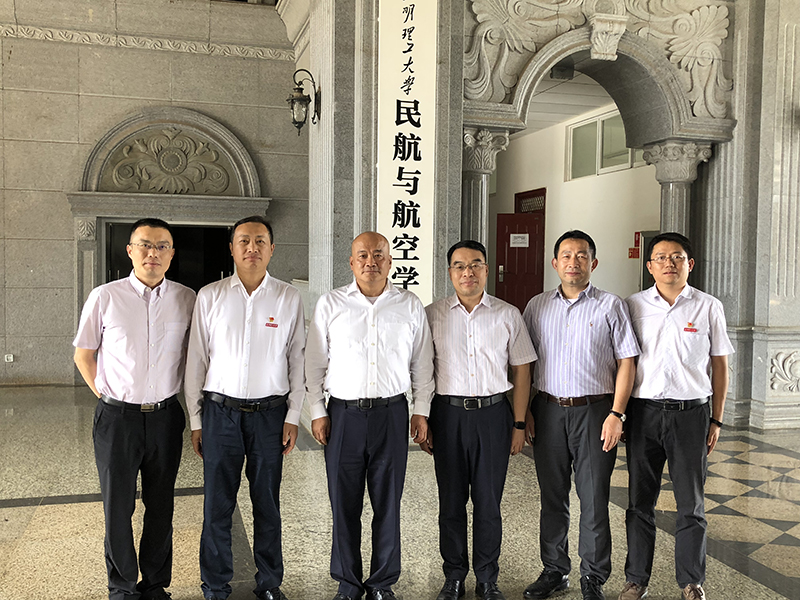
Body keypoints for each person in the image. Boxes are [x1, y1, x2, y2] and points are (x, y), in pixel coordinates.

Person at [305, 231, 435, 600]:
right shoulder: (331, 304)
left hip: (391, 414)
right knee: (343, 503)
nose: (370, 261)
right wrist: (317, 411)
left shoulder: (409, 305)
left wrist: (421, 410)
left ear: (390, 261)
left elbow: (422, 363)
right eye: (362, 255)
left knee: (388, 502)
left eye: (378, 254)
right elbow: (314, 363)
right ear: (351, 262)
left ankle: (381, 582)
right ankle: (348, 582)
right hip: (343, 415)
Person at [184, 216, 305, 600]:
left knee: (267, 503)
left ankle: (269, 583)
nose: (252, 248)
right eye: (244, 241)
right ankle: (215, 585)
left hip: (270, 415)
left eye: (260, 241)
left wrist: (293, 416)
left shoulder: (288, 297)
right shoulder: (210, 296)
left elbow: (297, 360)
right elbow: (196, 360)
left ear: (272, 249)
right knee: (217, 505)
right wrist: (196, 419)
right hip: (220, 414)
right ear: (232, 249)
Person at [74, 218, 195, 600]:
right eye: (145, 245)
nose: (152, 253)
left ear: (171, 255)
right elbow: (83, 355)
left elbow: (194, 357)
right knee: (118, 507)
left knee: (161, 506)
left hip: (165, 416)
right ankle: (122, 587)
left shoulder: (187, 299)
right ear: (130, 250)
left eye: (161, 246)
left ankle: (155, 584)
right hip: (117, 419)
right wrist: (107, 396)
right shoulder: (105, 297)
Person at [522, 230, 639, 600]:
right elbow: (524, 363)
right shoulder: (537, 306)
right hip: (548, 411)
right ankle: (555, 570)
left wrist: (617, 414)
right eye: (567, 255)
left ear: (594, 262)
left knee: (593, 497)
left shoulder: (610, 305)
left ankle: (593, 576)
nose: (574, 262)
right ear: (555, 263)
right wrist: (524, 411)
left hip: (595, 412)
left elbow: (627, 361)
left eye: (582, 255)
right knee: (552, 496)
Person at [617, 232, 733, 600]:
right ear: (649, 266)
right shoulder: (632, 306)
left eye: (677, 257)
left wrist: (716, 419)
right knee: (639, 502)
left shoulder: (708, 306)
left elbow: (720, 366)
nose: (669, 263)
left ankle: (691, 582)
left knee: (691, 504)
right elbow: (623, 363)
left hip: (691, 415)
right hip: (644, 414)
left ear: (689, 264)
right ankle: (636, 579)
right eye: (661, 257)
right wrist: (619, 414)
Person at [422, 240, 536, 600]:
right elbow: (421, 371)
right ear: (450, 272)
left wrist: (519, 423)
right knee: (451, 503)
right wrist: (423, 418)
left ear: (486, 270)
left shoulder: (508, 314)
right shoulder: (431, 315)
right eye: (459, 265)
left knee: (489, 503)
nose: (467, 272)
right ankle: (454, 576)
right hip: (447, 416)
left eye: (475, 264)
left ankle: (487, 578)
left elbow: (522, 371)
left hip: (493, 416)